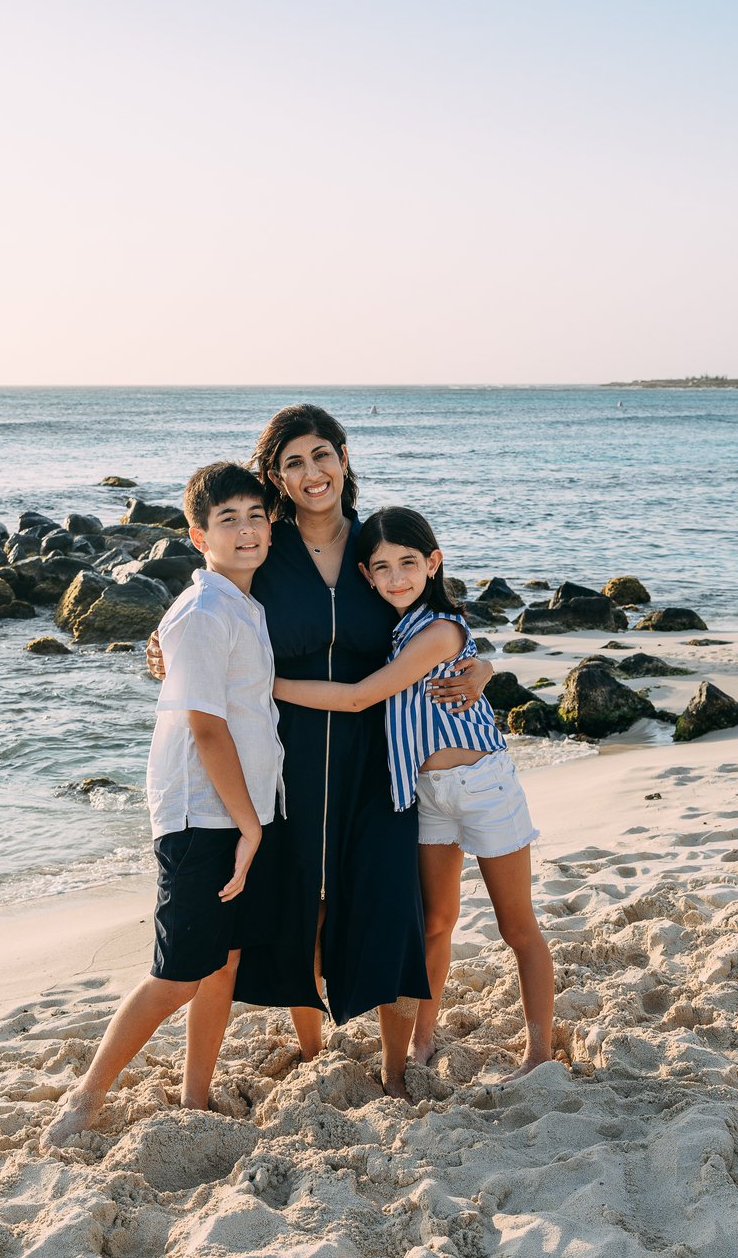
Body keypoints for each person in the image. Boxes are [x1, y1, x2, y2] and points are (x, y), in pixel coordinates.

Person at [147, 405, 495, 1099]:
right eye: (293, 463)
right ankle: (312, 1050)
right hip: (287, 762)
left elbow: (435, 609)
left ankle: (395, 1072)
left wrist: (483, 663)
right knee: (298, 910)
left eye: (322, 455)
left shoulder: (376, 540)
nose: (312, 474)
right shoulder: (264, 550)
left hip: (380, 759)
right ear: (276, 478)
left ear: (343, 456)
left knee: (389, 910)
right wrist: (154, 648)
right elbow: (202, 613)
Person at [42, 462, 284, 1149]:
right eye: (228, 520)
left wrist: (253, 820)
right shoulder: (204, 612)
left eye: (255, 516)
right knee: (177, 976)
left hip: (237, 815)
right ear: (198, 535)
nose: (245, 531)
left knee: (224, 963)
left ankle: (194, 1097)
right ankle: (86, 1098)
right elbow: (206, 729)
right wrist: (249, 827)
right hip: (202, 818)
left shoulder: (244, 604)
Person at [271, 507, 554, 1077]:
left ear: (433, 562)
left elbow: (358, 698)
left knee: (516, 926)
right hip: (422, 792)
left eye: (408, 563)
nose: (396, 577)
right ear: (366, 574)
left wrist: (263, 683)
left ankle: (539, 1050)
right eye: (382, 567)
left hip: (482, 784)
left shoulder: (439, 630)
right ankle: (423, 1039)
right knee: (434, 923)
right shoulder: (394, 628)